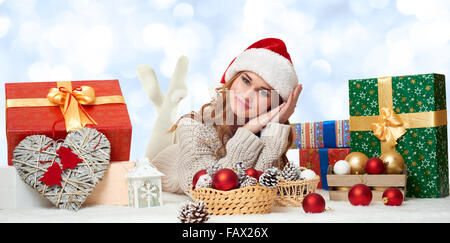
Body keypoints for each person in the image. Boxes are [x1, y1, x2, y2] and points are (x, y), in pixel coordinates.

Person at [151, 37, 303, 195]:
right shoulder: (194, 125)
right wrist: (248, 130)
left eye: (263, 92)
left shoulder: (267, 132)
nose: (246, 95)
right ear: (233, 78)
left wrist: (278, 122)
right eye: (245, 80)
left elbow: (261, 188)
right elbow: (207, 189)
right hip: (158, 171)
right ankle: (166, 100)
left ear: (275, 104)